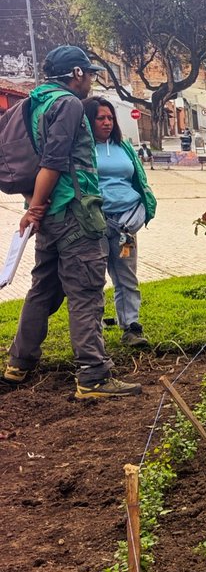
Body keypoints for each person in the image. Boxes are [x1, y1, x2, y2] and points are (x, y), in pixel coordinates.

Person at [4, 45, 141, 398]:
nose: (91, 80)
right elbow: (53, 161)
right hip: (75, 213)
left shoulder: (34, 102)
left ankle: (18, 364)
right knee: (85, 292)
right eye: (89, 73)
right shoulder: (67, 104)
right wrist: (34, 208)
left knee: (43, 290)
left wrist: (37, 208)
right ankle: (93, 376)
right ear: (77, 74)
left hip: (50, 213)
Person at [84, 96, 157, 348]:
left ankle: (131, 327)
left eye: (110, 117)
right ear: (88, 121)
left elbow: (138, 180)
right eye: (100, 118)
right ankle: (92, 333)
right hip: (96, 224)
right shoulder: (82, 149)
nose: (106, 122)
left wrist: (141, 210)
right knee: (94, 279)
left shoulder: (123, 147)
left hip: (126, 223)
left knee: (126, 276)